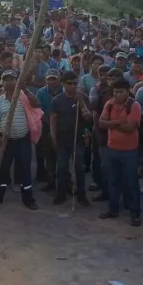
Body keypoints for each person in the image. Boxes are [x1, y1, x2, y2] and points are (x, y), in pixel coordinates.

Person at [0, 70, 38, 210]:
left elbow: (36, 104)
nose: (10, 82)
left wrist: (25, 89)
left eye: (12, 79)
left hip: (23, 140)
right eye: (7, 79)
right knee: (2, 170)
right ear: (3, 82)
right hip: (6, 142)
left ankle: (28, 199)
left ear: (17, 81)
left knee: (25, 170)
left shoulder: (25, 97)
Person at [97, 79, 143, 224]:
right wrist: (118, 123)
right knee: (113, 181)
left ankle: (135, 213)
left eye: (120, 92)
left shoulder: (134, 106)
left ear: (128, 91)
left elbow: (130, 128)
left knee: (131, 182)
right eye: (115, 92)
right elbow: (101, 123)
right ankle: (113, 209)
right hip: (112, 149)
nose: (117, 95)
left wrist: (111, 124)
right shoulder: (109, 104)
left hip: (129, 151)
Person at [51, 71, 92, 206]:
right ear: (63, 84)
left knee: (79, 168)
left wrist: (80, 101)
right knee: (62, 167)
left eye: (75, 83)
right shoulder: (57, 100)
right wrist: (53, 137)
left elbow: (87, 118)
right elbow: (53, 120)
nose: (73, 86)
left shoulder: (83, 97)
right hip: (62, 138)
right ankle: (60, 195)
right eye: (70, 83)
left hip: (78, 138)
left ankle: (81, 195)